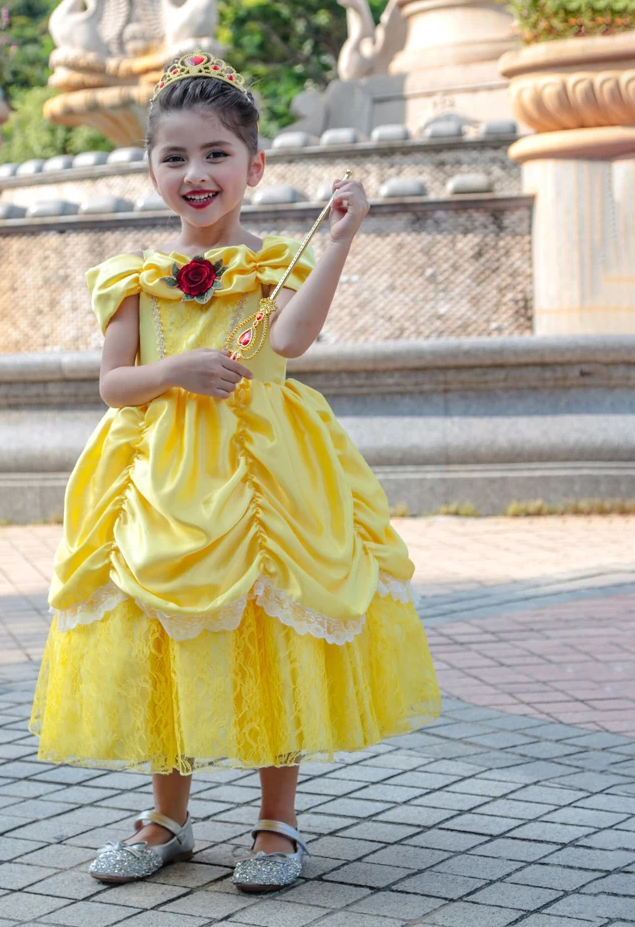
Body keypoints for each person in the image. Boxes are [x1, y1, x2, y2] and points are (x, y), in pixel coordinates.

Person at [29, 52, 441, 893]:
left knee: (268, 631)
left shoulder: (271, 269)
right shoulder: (137, 282)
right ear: (150, 169)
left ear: (255, 166)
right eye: (174, 156)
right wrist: (176, 372)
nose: (196, 173)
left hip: (264, 473)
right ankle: (167, 816)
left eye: (216, 154)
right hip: (163, 479)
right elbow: (114, 384)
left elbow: (287, 344)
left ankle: (276, 821)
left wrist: (337, 245)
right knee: (157, 630)